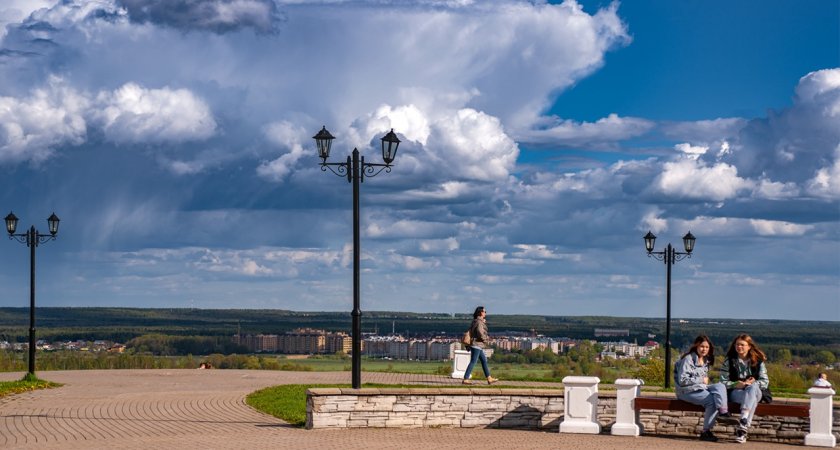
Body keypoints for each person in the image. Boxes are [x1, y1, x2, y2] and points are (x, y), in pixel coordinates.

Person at [674, 335, 729, 442]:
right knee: (711, 401)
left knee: (720, 386)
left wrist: (703, 382)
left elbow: (704, 381)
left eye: (707, 347)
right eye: (702, 346)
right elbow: (682, 380)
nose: (704, 349)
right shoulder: (688, 359)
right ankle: (706, 432)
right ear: (696, 346)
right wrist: (700, 380)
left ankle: (723, 411)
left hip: (700, 388)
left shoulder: (705, 360)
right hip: (685, 391)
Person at [720, 334, 769, 444]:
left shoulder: (758, 361)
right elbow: (723, 381)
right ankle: (743, 427)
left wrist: (750, 383)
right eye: (737, 344)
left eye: (742, 345)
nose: (739, 347)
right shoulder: (729, 361)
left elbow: (765, 382)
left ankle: (743, 422)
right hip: (736, 393)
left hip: (756, 391)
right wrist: (736, 384)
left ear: (749, 346)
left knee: (752, 387)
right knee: (752, 399)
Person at [462, 306, 498, 385]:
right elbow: (479, 331)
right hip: (477, 344)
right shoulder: (479, 322)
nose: (485, 313)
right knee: (473, 361)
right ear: (481, 312)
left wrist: (483, 322)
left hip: (477, 344)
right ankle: (465, 379)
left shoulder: (477, 321)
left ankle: (489, 378)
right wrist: (484, 339)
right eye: (484, 311)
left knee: (484, 361)